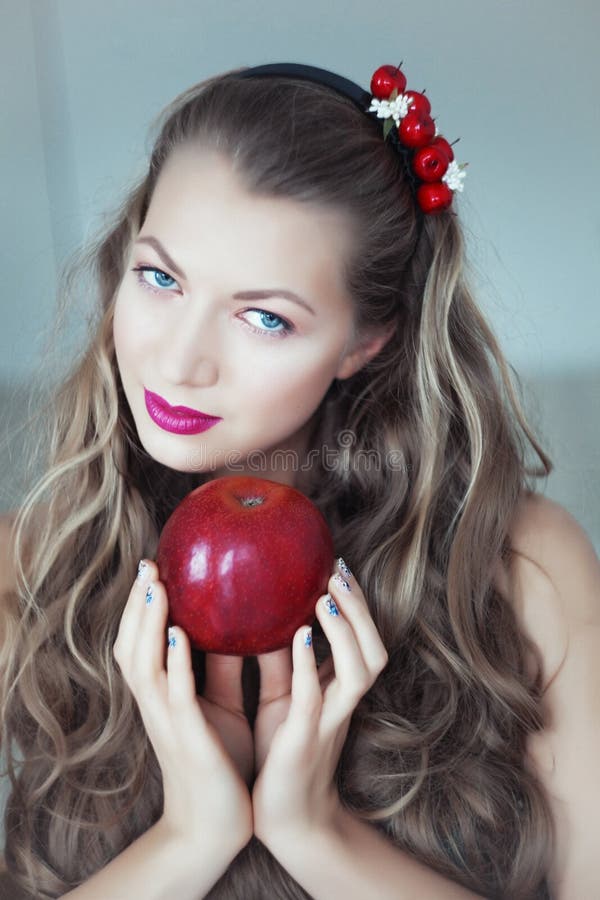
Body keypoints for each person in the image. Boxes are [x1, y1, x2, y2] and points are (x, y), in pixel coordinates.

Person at [0, 59, 598, 900]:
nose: (179, 361)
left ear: (367, 340)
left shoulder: (517, 567)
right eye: (160, 277)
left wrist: (315, 833)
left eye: (265, 316)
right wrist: (190, 839)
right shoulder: (26, 573)